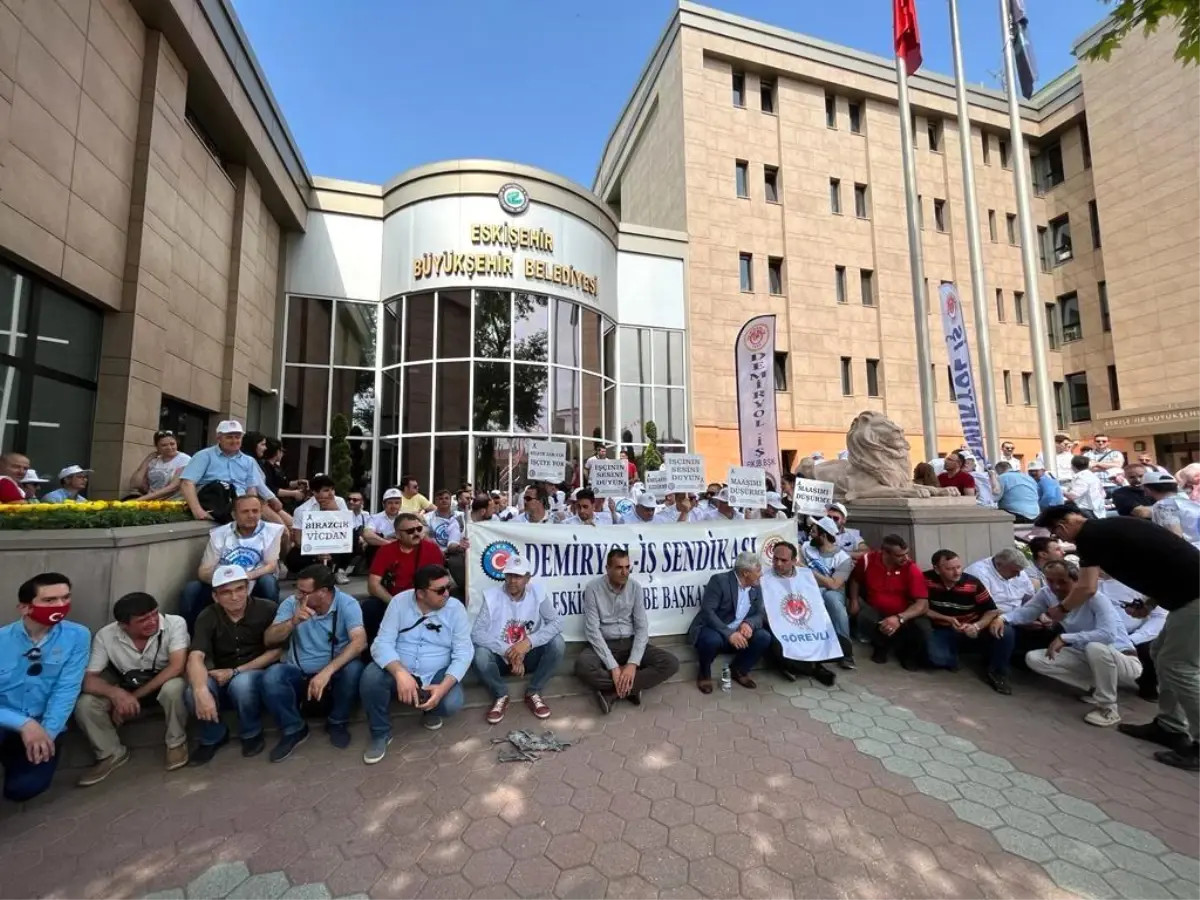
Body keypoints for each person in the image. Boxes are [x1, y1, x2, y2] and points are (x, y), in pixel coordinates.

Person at [1035, 505, 1200, 767]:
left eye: (1057, 534)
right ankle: (1169, 726)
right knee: (1160, 654)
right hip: (1185, 597)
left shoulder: (1090, 536)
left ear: (1063, 526)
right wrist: (1148, 604)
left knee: (1180, 667)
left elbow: (1087, 587)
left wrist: (1061, 609)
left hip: (1194, 599)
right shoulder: (1110, 530)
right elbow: (1168, 566)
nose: (1062, 540)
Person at [999, 559, 1139, 726]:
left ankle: (1108, 708)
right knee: (1035, 659)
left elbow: (1107, 635)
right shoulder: (1047, 594)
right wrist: (1001, 618)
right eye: (1050, 581)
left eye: (1062, 581)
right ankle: (1097, 686)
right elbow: (1026, 613)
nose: (1055, 587)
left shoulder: (1095, 597)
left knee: (1095, 647)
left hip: (1123, 658)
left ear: (1076, 580)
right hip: (1085, 655)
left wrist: (1065, 638)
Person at [359, 565, 472, 763]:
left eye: (448, 587)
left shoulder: (456, 608)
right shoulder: (399, 603)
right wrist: (400, 673)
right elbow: (381, 643)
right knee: (370, 677)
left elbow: (464, 652)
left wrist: (443, 688)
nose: (446, 594)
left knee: (451, 703)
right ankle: (380, 733)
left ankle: (431, 707)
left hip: (436, 672)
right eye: (439, 590)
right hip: (401, 668)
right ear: (420, 593)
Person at [74, 592, 190, 783]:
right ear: (124, 625)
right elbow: (88, 680)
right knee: (86, 704)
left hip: (160, 684)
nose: (153, 621)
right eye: (143, 619)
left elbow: (176, 666)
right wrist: (116, 694)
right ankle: (111, 753)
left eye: (154, 614)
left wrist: (133, 697)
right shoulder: (106, 635)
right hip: (127, 684)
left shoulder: (175, 623)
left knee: (175, 687)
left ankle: (176, 743)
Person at [261, 565, 367, 761]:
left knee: (354, 669)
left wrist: (326, 672)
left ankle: (338, 721)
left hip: (333, 674)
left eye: (304, 591)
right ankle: (294, 728)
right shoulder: (291, 604)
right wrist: (292, 622)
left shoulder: (347, 604)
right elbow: (269, 639)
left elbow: (359, 642)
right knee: (272, 676)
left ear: (323, 592)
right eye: (297, 589)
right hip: (299, 673)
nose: (298, 595)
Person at [0, 574, 89, 801]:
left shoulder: (78, 636)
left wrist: (46, 733)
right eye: (50, 600)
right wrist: (23, 724)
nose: (60, 606)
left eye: (65, 598)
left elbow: (67, 689)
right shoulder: (2, 640)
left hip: (43, 724)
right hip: (4, 718)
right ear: (24, 608)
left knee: (23, 788)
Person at [184, 564, 280, 765]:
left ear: (247, 588)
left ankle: (251, 732)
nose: (234, 597)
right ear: (215, 596)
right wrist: (201, 690)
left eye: (239, 589)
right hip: (219, 671)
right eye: (226, 592)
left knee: (242, 684)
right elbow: (195, 656)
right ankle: (213, 735)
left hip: (254, 669)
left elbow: (276, 651)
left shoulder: (267, 609)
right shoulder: (208, 615)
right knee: (191, 691)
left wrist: (235, 671)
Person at [576, 548, 680, 712]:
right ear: (608, 568)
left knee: (670, 663)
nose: (624, 572)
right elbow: (592, 631)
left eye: (627, 567)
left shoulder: (635, 588)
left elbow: (641, 628)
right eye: (619, 568)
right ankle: (632, 687)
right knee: (583, 666)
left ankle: (613, 692)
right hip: (605, 643)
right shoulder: (593, 588)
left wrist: (632, 664)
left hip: (630, 642)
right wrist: (614, 667)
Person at [471, 555, 565, 723]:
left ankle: (533, 691)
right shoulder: (492, 596)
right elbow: (477, 633)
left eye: (518, 576)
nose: (512, 581)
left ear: (528, 578)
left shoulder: (537, 593)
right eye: (509, 575)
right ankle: (501, 694)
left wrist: (528, 643)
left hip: (529, 656)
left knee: (557, 643)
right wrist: (509, 651)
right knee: (480, 655)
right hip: (500, 659)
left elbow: (557, 623)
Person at [180, 494, 284, 631]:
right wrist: (224, 582)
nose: (251, 515)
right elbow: (204, 571)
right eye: (245, 511)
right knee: (191, 589)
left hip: (254, 580)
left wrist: (243, 578)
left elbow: (271, 566)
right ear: (234, 515)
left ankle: (272, 631)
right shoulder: (220, 533)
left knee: (268, 582)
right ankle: (192, 638)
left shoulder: (272, 531)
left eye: (255, 511)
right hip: (222, 583)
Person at [923, 550, 1014, 694]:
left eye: (958, 567)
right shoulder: (925, 580)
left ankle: (998, 672)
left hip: (971, 626)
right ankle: (952, 656)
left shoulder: (972, 583)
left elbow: (991, 610)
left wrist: (977, 626)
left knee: (1006, 631)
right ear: (937, 569)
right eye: (950, 569)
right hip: (943, 628)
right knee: (936, 659)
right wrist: (946, 619)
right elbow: (920, 608)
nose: (956, 572)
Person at [687, 551, 771, 693]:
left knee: (764, 637)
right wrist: (729, 634)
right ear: (745, 573)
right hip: (716, 629)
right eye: (758, 570)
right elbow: (708, 612)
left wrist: (749, 624)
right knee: (711, 640)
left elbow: (759, 613)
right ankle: (704, 674)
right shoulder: (720, 581)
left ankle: (739, 670)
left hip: (740, 631)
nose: (761, 574)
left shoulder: (756, 586)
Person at [764, 541, 842, 685]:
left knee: (819, 630)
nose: (779, 564)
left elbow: (814, 602)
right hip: (777, 621)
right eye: (775, 559)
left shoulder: (805, 575)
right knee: (777, 640)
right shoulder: (764, 576)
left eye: (784, 560)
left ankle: (812, 665)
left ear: (794, 561)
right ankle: (811, 669)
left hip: (802, 617)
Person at [848, 534, 931, 669]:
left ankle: (907, 653)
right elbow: (855, 579)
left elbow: (922, 603)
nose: (906, 558)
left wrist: (900, 618)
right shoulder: (868, 560)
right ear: (885, 553)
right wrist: (854, 600)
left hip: (905, 613)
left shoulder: (911, 568)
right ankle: (881, 646)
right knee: (865, 617)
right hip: (877, 609)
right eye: (900, 555)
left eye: (907, 554)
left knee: (922, 628)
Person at [364, 512, 445, 644]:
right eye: (410, 531)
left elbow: (440, 583)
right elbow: (373, 585)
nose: (416, 533)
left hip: (424, 601)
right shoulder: (385, 551)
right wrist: (395, 604)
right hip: (392, 601)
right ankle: (372, 653)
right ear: (397, 535)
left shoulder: (432, 549)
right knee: (370, 606)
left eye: (419, 529)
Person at [180, 420, 279, 523]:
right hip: (217, 505)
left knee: (282, 530)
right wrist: (197, 510)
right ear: (218, 438)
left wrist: (253, 510)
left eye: (237, 437)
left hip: (242, 506)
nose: (234, 441)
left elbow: (251, 489)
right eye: (229, 437)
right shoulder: (204, 456)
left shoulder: (248, 461)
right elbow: (187, 483)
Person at [1100, 575, 1167, 701]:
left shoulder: (1141, 583)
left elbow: (1159, 617)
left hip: (1132, 634)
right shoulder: (1089, 579)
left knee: (1153, 648)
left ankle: (1147, 685)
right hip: (1097, 629)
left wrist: (1132, 640)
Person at [801, 516, 856, 668]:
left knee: (831, 598)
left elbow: (834, 584)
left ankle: (846, 651)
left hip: (834, 593)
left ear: (823, 536)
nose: (810, 535)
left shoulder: (843, 558)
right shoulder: (806, 548)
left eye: (813, 532)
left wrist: (808, 572)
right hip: (808, 590)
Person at [287, 475, 355, 584]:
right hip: (313, 547)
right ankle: (310, 573)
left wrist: (335, 510)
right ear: (315, 492)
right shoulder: (302, 510)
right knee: (293, 558)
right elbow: (298, 540)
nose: (331, 493)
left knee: (353, 538)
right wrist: (317, 552)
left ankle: (338, 570)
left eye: (332, 489)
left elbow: (347, 529)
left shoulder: (340, 502)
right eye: (326, 490)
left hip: (335, 543)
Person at [126, 431, 192, 501]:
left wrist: (140, 500)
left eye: (172, 444)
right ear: (157, 447)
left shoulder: (184, 460)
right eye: (164, 445)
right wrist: (147, 459)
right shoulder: (154, 460)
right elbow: (135, 484)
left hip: (172, 502)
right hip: (150, 502)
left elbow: (173, 487)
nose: (169, 447)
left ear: (177, 444)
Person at [1142, 469, 1200, 544]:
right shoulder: (1191, 503)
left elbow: (1174, 536)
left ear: (1147, 490)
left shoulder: (1163, 506)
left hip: (1188, 552)